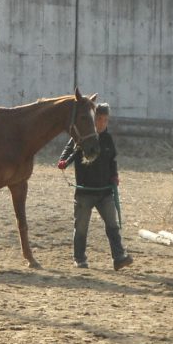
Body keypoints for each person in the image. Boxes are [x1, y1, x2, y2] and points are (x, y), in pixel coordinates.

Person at [57, 102, 133, 270]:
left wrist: (114, 176)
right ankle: (79, 259)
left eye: (105, 120)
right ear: (93, 119)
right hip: (84, 192)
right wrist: (63, 162)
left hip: (105, 192)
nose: (102, 123)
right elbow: (67, 152)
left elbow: (112, 160)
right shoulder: (80, 137)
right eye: (99, 119)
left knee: (113, 226)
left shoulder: (108, 139)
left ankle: (119, 257)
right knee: (81, 228)